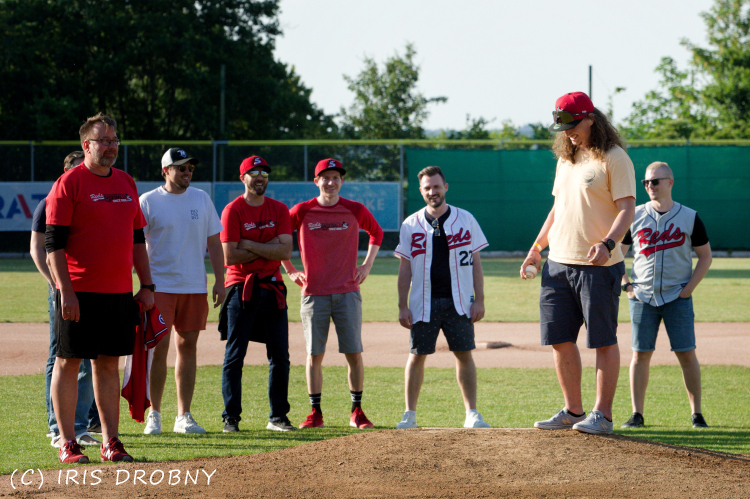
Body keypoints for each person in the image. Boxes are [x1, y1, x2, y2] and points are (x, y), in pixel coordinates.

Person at [521, 92, 636, 435]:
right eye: (563, 128)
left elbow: (627, 209)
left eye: (573, 125)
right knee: (559, 338)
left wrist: (608, 243)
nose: (568, 133)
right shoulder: (566, 159)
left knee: (603, 340)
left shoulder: (614, 158)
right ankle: (573, 410)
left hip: (599, 266)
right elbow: (558, 210)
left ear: (591, 119)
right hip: (558, 264)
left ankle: (603, 415)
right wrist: (536, 247)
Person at [46, 113, 155, 463]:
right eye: (102, 140)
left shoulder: (126, 182)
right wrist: (66, 291)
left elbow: (137, 239)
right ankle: (67, 442)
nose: (110, 146)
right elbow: (53, 244)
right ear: (86, 145)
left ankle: (111, 441)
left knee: (108, 364)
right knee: (68, 362)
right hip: (79, 292)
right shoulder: (69, 183)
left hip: (118, 292)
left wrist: (147, 284)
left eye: (113, 140)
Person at [282, 158, 383, 430]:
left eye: (336, 177)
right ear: (316, 181)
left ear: (342, 181)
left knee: (354, 353)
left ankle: (357, 411)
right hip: (313, 293)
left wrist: (367, 265)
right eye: (325, 177)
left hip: (347, 292)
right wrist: (290, 269)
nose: (331, 182)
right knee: (314, 355)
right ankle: (315, 413)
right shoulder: (302, 210)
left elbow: (376, 232)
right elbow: (280, 236)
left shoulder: (354, 209)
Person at [394, 166, 491, 429]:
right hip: (422, 304)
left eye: (436, 186)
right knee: (416, 355)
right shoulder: (411, 224)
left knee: (464, 355)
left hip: (459, 302)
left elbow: (476, 262)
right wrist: (402, 305)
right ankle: (409, 414)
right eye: (427, 188)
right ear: (421, 191)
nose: (432, 192)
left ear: (445, 187)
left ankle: (472, 413)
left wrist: (479, 299)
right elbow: (404, 268)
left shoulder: (465, 219)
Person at [619, 161, 712, 429]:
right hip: (642, 297)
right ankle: (637, 414)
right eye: (646, 182)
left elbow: (705, 256)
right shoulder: (634, 215)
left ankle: (697, 414)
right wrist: (627, 286)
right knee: (640, 354)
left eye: (655, 181)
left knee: (686, 354)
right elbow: (616, 256)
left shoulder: (689, 217)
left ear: (670, 182)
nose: (650, 186)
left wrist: (688, 289)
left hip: (677, 297)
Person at [139, 148, 225, 435]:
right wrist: (144, 284)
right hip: (160, 287)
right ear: (166, 171)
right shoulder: (148, 201)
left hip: (194, 286)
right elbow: (136, 245)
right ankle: (154, 414)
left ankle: (184, 415)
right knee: (159, 350)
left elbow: (214, 242)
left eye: (190, 168)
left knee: (188, 348)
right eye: (181, 168)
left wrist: (220, 280)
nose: (187, 172)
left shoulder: (201, 198)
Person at [219, 155, 295, 432]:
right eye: (254, 172)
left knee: (280, 356)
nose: (260, 176)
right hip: (241, 287)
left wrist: (248, 244)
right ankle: (231, 418)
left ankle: (278, 417)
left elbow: (285, 250)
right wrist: (268, 245)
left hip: (272, 287)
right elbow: (230, 256)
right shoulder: (233, 210)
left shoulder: (279, 209)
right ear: (243, 178)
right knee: (235, 355)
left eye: (264, 172)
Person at [30, 151, 100, 448]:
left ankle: (79, 425)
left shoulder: (90, 199)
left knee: (88, 357)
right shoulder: (50, 202)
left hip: (91, 287)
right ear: (65, 171)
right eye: (74, 168)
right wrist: (55, 283)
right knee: (62, 355)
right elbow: (38, 248)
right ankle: (58, 426)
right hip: (63, 287)